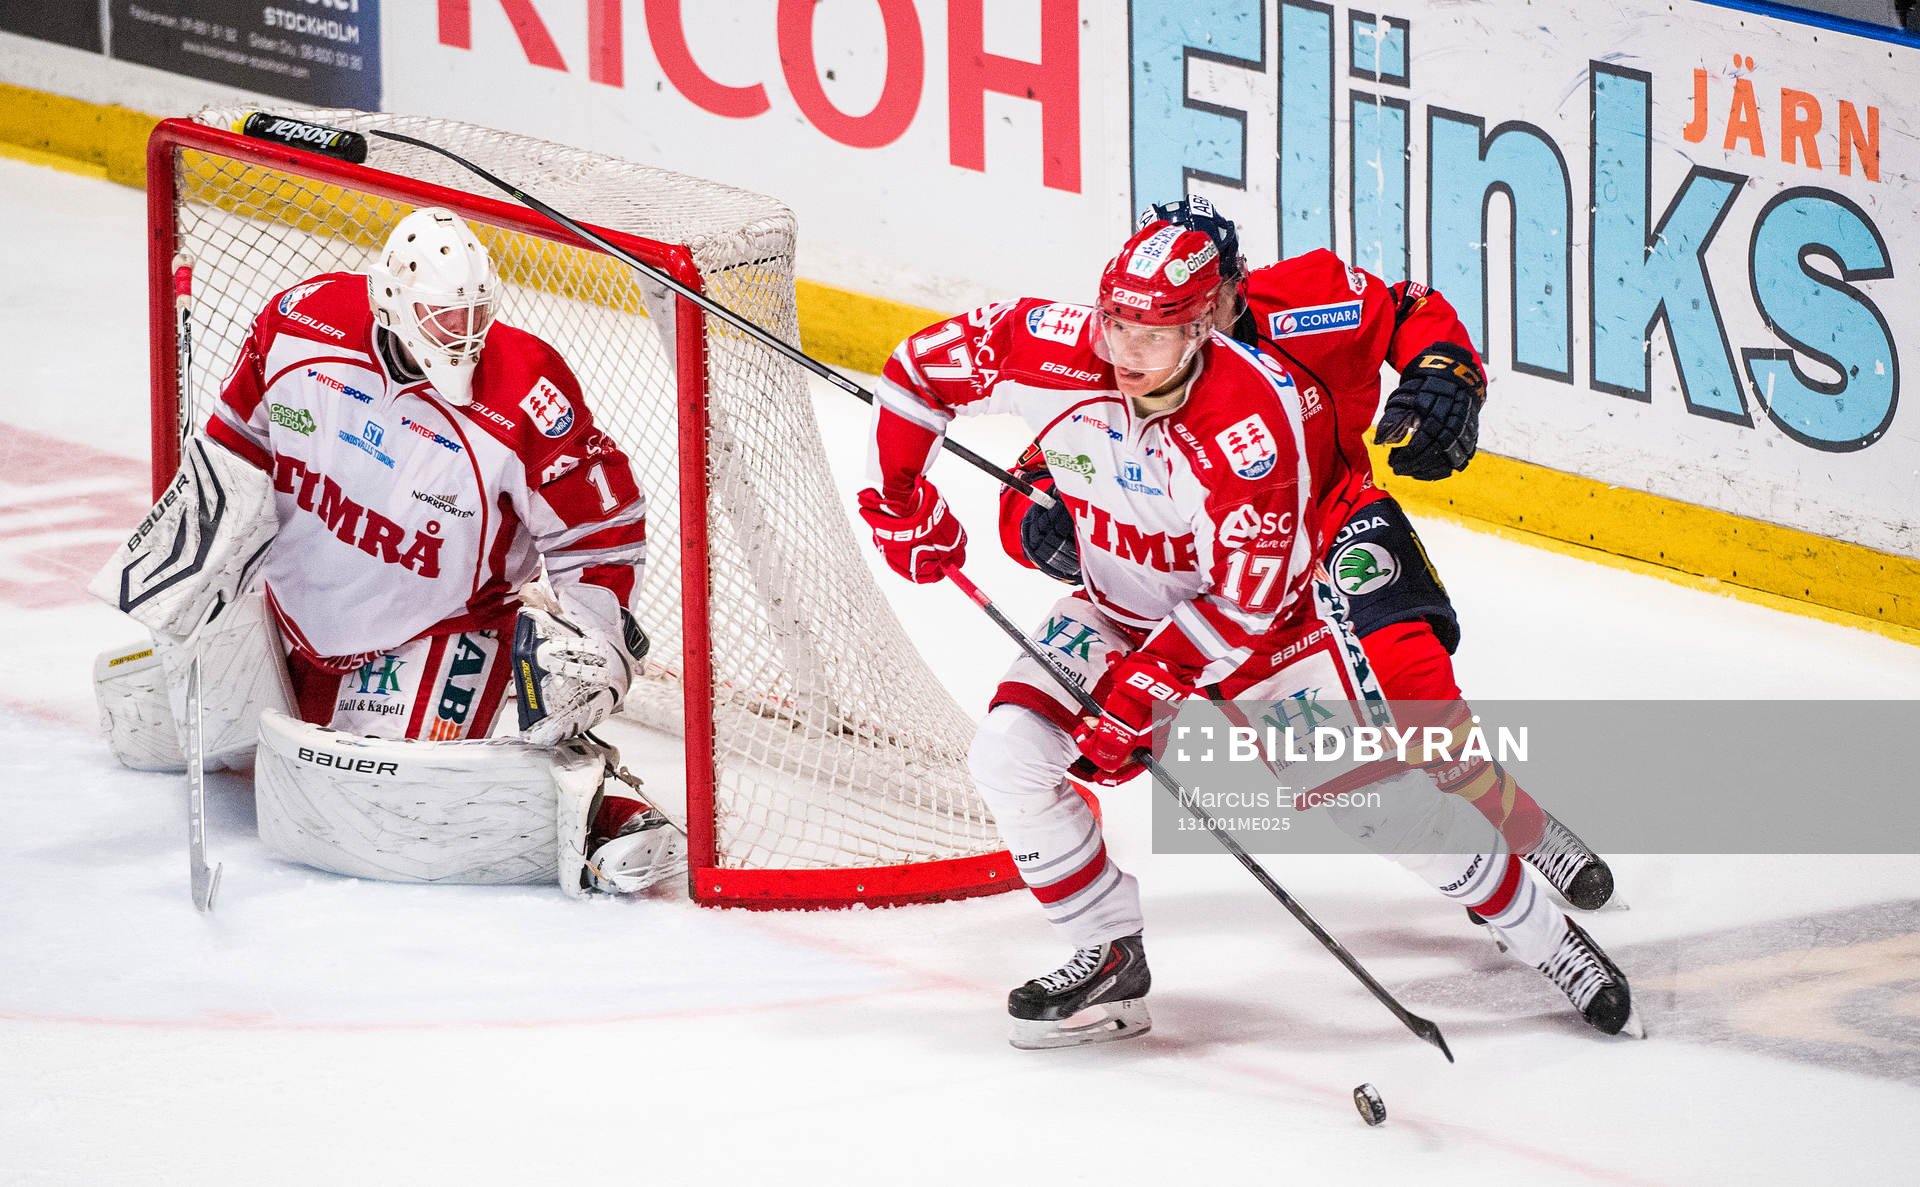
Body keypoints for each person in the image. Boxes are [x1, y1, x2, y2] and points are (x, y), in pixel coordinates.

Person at [858, 219, 1635, 1049]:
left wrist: (1133, 702)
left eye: (1152, 335)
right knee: (1008, 755)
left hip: (1268, 626)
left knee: (1381, 803)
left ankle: (1548, 938)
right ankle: (1107, 955)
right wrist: (899, 502)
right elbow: (918, 373)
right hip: (1122, 608)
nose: (1125, 350)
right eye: (1117, 322)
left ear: (1204, 325)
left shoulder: (1251, 430)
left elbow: (1239, 607)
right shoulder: (1054, 341)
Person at [998, 195, 1614, 914]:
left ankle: (1521, 825)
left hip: (1330, 522)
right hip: (1201, 576)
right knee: (1101, 725)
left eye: (1212, 303)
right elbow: (1043, 466)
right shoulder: (1129, 350)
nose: (1188, 328)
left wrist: (1445, 370)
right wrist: (1037, 518)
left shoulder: (1310, 303)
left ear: (1238, 287)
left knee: (1414, 685)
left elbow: (1406, 307)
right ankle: (1097, 923)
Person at [91, 207, 677, 894]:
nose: (466, 334)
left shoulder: (525, 387)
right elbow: (233, 454)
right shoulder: (299, 325)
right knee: (137, 722)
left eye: (475, 313)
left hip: (430, 632)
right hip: (286, 616)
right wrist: (196, 555)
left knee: (382, 808)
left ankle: (602, 804)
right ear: (393, 302)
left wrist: (594, 634)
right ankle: (289, 699)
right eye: (443, 317)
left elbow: (600, 526)